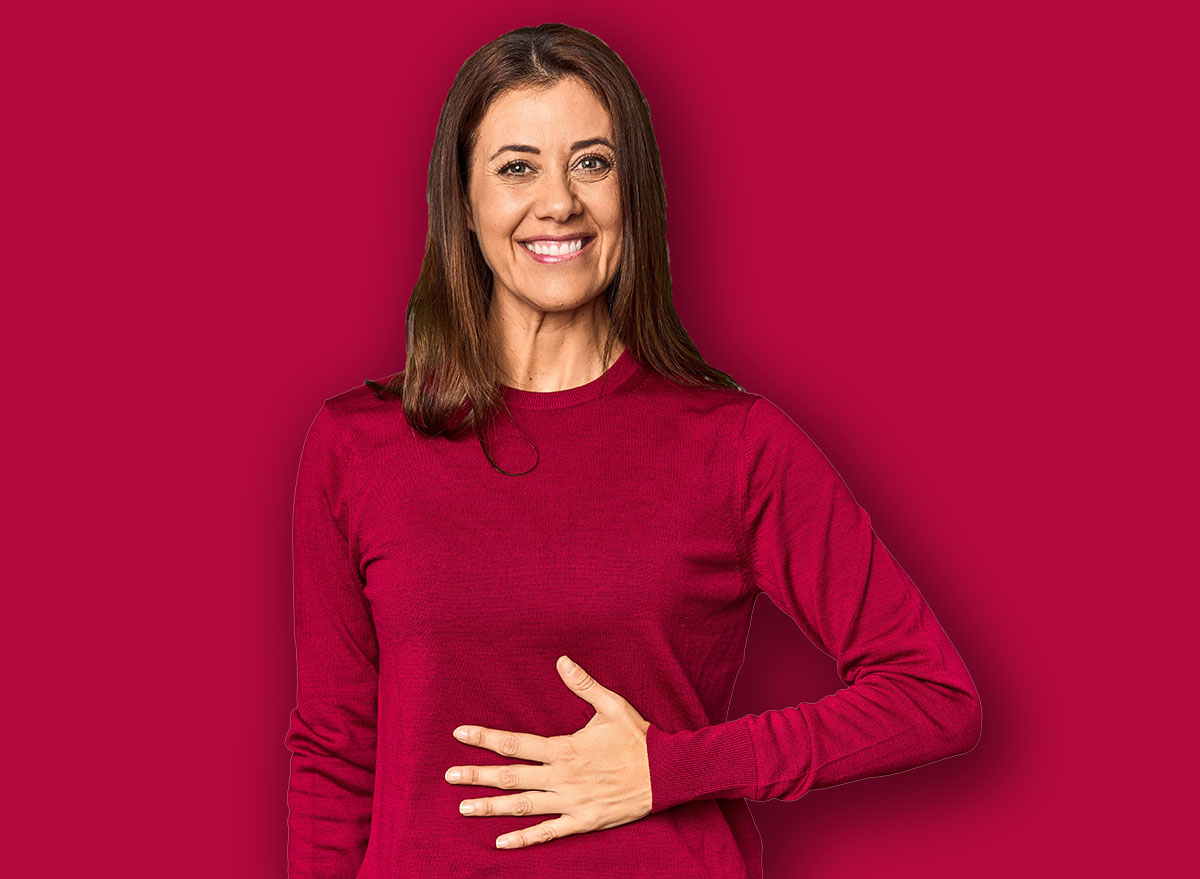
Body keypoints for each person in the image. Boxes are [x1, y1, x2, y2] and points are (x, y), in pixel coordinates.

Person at [284, 22, 981, 879]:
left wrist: (672, 769)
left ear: (633, 192)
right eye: (516, 167)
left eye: (591, 163)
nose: (558, 202)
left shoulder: (734, 445)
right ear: (462, 202)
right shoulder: (357, 446)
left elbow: (933, 698)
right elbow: (333, 753)